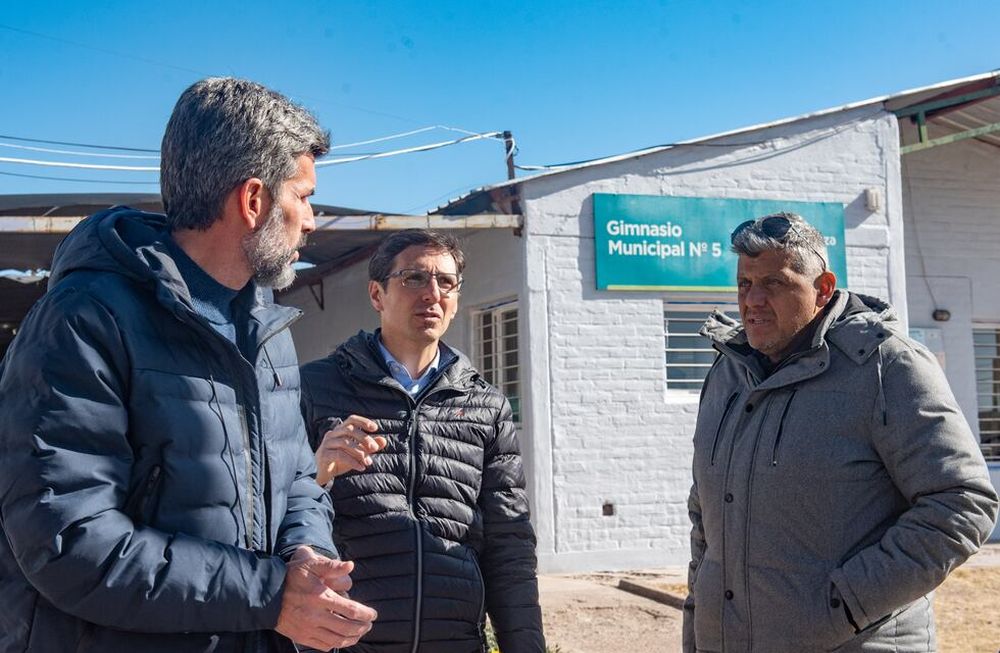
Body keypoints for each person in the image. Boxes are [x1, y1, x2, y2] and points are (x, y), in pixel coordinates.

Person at [0, 77, 377, 653]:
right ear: (253, 201)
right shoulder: (85, 321)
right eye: (302, 197)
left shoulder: (268, 329)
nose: (311, 220)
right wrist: (272, 595)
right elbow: (70, 540)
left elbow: (299, 479)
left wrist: (306, 554)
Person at [684, 212, 999, 652]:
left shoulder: (886, 366)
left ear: (823, 289)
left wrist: (845, 604)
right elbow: (706, 515)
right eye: (744, 284)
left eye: (774, 283)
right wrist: (700, 620)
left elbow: (962, 504)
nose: (752, 299)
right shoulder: (727, 374)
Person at [300, 229, 546, 653]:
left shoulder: (485, 405)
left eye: (446, 281)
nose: (432, 293)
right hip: (345, 643)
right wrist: (314, 474)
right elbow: (264, 514)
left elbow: (509, 545)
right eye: (414, 278)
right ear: (377, 294)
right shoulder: (313, 388)